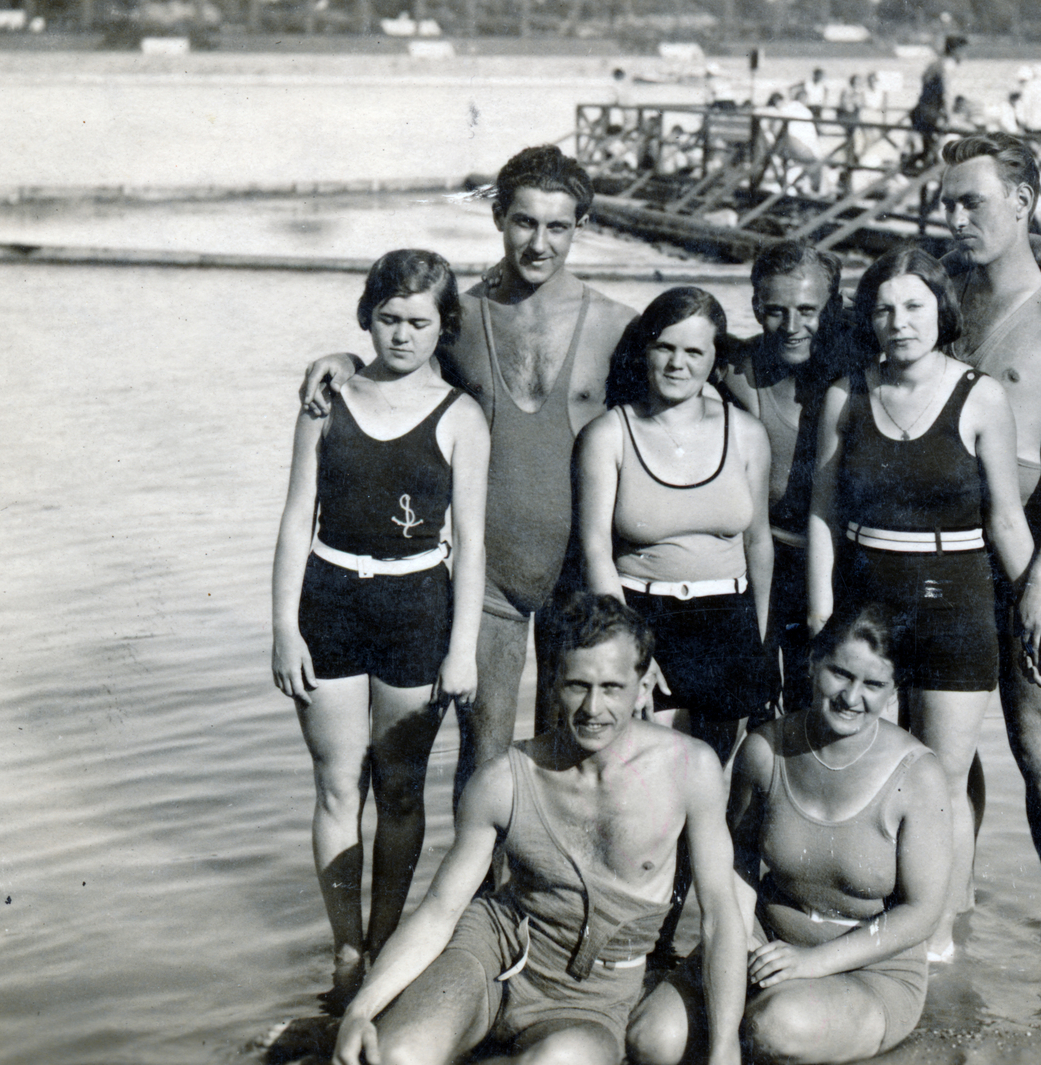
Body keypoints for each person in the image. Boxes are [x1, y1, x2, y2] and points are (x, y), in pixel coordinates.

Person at [300, 147, 636, 806]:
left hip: (578, 572)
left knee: (576, 757)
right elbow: (397, 359)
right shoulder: (461, 322)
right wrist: (341, 357)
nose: (538, 243)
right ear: (497, 217)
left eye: (557, 227)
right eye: (523, 222)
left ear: (582, 225)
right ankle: (480, 905)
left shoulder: (617, 326)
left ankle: (547, 905)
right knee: (485, 761)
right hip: (491, 583)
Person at [331, 593, 746, 1065]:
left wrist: (725, 1046)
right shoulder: (503, 780)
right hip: (492, 954)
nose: (593, 707)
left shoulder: (690, 769)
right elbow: (440, 910)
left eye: (612, 687)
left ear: (645, 684)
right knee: (398, 1055)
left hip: (595, 995)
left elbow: (720, 917)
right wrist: (360, 1009)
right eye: (577, 685)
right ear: (552, 684)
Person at [807, 245, 1039, 960]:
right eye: (883, 309)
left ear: (942, 310)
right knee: (868, 767)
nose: (899, 322)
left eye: (913, 306)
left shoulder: (982, 397)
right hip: (866, 605)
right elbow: (821, 508)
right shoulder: (848, 395)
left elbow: (1005, 516)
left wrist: (1039, 605)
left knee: (941, 775)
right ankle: (866, 918)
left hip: (955, 601)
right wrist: (821, 609)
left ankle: (939, 936)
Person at [271, 250, 492, 1003]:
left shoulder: (462, 416)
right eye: (389, 318)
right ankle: (344, 950)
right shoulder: (325, 399)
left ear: (443, 327)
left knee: (400, 789)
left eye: (419, 322)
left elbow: (474, 541)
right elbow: (297, 516)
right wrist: (283, 629)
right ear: (367, 316)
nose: (401, 334)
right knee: (337, 786)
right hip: (329, 599)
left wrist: (462, 649)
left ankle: (388, 936)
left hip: (417, 608)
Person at [627, 604, 952, 1065]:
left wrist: (811, 964)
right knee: (650, 1040)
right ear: (813, 661)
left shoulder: (918, 776)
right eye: (840, 673)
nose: (851, 697)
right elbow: (736, 862)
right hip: (767, 946)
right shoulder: (765, 750)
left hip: (870, 969)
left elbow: (922, 913)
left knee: (775, 1027)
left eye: (873, 684)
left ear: (893, 690)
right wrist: (738, 941)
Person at [938, 132, 1041, 942]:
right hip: (946, 539)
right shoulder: (947, 290)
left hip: (1031, 541)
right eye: (949, 203)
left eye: (974, 202)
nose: (957, 217)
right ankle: (957, 906)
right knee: (946, 729)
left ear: (1023, 202)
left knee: (1035, 735)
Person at [578, 287, 775, 762]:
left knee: (711, 776)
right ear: (646, 348)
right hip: (643, 619)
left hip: (726, 623)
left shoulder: (746, 432)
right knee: (649, 777)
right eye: (664, 347)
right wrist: (629, 656)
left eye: (693, 351)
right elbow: (595, 549)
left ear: (714, 359)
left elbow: (759, 542)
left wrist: (761, 645)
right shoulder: (609, 434)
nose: (676, 363)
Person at [720, 242, 844, 714]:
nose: (792, 328)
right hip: (754, 561)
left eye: (807, 311)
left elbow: (929, 283)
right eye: (775, 311)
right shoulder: (731, 369)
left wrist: (1035, 244)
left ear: (832, 307)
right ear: (754, 307)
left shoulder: (859, 366)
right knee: (743, 708)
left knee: (814, 713)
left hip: (833, 566)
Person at [908, 36, 966, 153]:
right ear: (955, 50)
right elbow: (946, 94)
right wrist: (949, 117)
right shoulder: (948, 66)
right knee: (972, 131)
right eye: (963, 51)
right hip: (931, 115)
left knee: (930, 151)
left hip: (920, 112)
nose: (964, 55)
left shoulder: (935, 64)